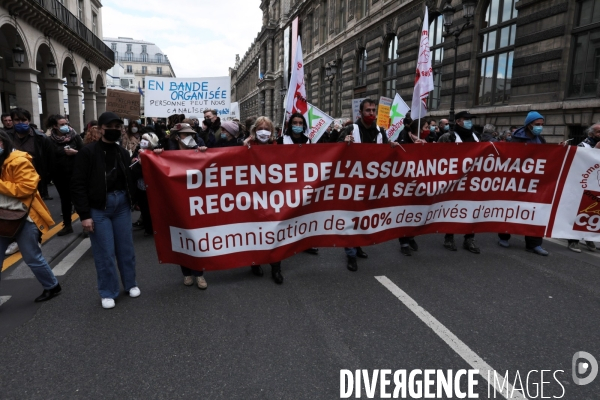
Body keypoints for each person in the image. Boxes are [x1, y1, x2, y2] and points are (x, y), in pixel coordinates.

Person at [71, 112, 141, 309]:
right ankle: (108, 291)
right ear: (100, 129)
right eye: (110, 126)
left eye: (118, 127)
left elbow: (129, 177)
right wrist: (84, 215)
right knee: (105, 252)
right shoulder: (88, 152)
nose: (115, 130)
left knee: (126, 249)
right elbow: (78, 185)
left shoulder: (123, 153)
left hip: (121, 205)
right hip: (99, 209)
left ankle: (130, 283)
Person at [337, 99, 401, 271]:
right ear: (361, 113)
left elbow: (386, 149)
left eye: (374, 111)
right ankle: (350, 254)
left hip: (372, 184)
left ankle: (357, 246)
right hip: (352, 184)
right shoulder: (351, 129)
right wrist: (344, 143)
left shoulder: (381, 132)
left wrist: (392, 146)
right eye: (368, 111)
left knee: (363, 218)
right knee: (351, 218)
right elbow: (334, 152)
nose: (371, 114)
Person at [0, 130, 61, 302]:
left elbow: (26, 188)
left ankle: (52, 286)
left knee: (32, 257)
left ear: (3, 142)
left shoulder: (19, 161)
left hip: (23, 217)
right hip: (2, 218)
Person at [162, 122, 209, 289]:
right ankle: (187, 273)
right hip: (179, 200)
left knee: (197, 236)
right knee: (182, 235)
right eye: (184, 134)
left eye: (191, 134)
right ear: (177, 137)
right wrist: (157, 154)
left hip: (197, 200)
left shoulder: (198, 150)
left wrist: (203, 152)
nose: (189, 137)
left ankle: (200, 274)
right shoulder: (170, 153)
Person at [497, 111, 549, 256]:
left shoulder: (541, 140)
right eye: (537, 124)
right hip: (516, 181)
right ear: (529, 124)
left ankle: (534, 244)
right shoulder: (516, 140)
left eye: (542, 125)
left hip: (534, 182)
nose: (540, 127)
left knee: (535, 211)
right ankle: (504, 235)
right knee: (511, 209)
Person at [243, 117, 285, 284]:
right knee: (256, 230)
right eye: (260, 128)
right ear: (254, 130)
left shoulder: (278, 147)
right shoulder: (247, 147)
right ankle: (255, 262)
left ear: (272, 132)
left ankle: (276, 267)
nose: (263, 132)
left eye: (267, 128)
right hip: (253, 197)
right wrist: (243, 148)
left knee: (275, 231)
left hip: (274, 197)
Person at [438, 111, 481, 254]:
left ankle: (469, 238)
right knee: (452, 208)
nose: (470, 122)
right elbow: (437, 157)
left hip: (472, 180)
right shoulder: (448, 137)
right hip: (454, 180)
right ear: (458, 121)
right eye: (466, 119)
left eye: (470, 119)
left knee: (471, 209)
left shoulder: (476, 136)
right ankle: (449, 237)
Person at [278, 113, 319, 255]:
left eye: (300, 123)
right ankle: (285, 241)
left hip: (302, 182)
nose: (297, 126)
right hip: (285, 183)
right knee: (287, 213)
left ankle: (305, 242)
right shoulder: (282, 140)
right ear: (290, 125)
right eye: (295, 123)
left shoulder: (308, 141)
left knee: (303, 213)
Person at [396, 118, 428, 256]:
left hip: (419, 181)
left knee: (415, 212)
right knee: (405, 211)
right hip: (405, 181)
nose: (428, 129)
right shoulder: (404, 136)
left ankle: (411, 237)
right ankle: (404, 242)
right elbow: (401, 153)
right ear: (419, 128)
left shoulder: (426, 138)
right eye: (426, 127)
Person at [47, 115, 83, 236]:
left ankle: (86, 225)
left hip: (76, 174)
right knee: (65, 201)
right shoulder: (50, 140)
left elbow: (85, 153)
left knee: (79, 199)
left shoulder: (75, 136)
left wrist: (75, 152)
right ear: (55, 126)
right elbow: (49, 158)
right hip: (60, 175)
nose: (65, 126)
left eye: (66, 123)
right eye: (62, 124)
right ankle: (67, 226)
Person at [567, 122, 600, 253]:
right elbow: (579, 165)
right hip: (582, 185)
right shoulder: (583, 146)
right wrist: (596, 150)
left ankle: (588, 237)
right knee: (578, 212)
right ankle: (573, 240)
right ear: (591, 133)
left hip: (596, 185)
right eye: (599, 132)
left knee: (592, 212)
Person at [8, 108, 54, 201]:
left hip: (35, 178)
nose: (20, 123)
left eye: (24, 120)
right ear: (12, 121)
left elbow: (50, 160)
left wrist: (45, 178)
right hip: (12, 179)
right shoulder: (6, 137)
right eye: (17, 120)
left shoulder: (41, 138)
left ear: (29, 121)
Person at [131, 129, 160, 237]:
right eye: (142, 139)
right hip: (141, 187)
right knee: (145, 209)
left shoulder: (158, 152)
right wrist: (138, 164)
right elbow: (133, 172)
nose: (142, 141)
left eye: (145, 140)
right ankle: (148, 229)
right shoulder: (137, 152)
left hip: (154, 188)